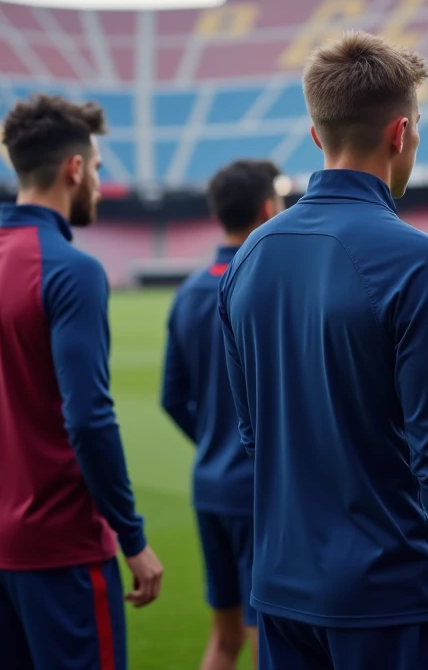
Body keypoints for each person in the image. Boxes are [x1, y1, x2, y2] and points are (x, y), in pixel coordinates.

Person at [218, 31, 428, 670]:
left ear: (315, 136)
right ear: (401, 132)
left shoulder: (247, 257)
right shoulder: (422, 262)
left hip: (280, 589)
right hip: (387, 596)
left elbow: (254, 435)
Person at [0, 94, 163, 670]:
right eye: (95, 167)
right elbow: (90, 418)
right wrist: (133, 538)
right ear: (74, 169)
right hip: (58, 549)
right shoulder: (74, 271)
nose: (96, 179)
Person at [161, 159, 285, 670]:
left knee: (224, 637)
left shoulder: (189, 292)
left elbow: (173, 397)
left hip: (209, 485)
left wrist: (215, 439)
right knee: (267, 638)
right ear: (266, 208)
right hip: (259, 490)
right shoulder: (271, 281)